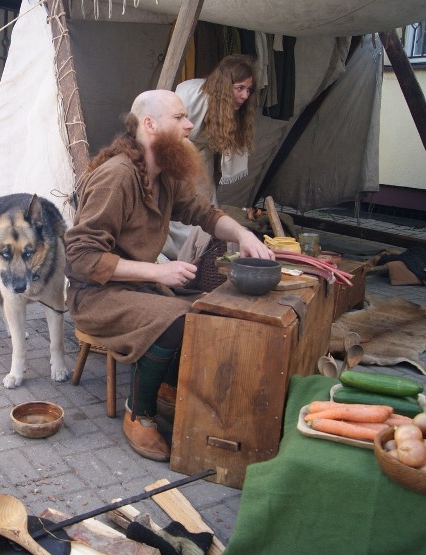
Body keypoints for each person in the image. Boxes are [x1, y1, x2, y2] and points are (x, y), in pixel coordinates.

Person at [64, 89, 273, 462]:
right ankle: (138, 412)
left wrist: (244, 234)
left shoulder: (163, 174)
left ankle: (165, 387)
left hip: (135, 287)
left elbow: (204, 213)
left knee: (205, 311)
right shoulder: (117, 177)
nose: (190, 125)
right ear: (150, 124)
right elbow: (80, 257)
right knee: (177, 319)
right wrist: (159, 270)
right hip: (94, 295)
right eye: (179, 118)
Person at [164, 54, 259, 266]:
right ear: (225, 85)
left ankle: (199, 258)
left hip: (200, 157)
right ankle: (176, 258)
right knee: (176, 207)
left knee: (204, 207)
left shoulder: (236, 110)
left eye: (249, 89)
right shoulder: (190, 95)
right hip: (175, 152)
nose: (245, 95)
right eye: (239, 88)